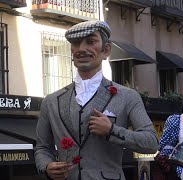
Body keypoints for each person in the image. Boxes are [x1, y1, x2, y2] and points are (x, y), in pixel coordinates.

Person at [34, 20, 159, 180]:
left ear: (106, 50)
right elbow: (42, 148)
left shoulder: (127, 96)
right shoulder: (51, 101)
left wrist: (112, 130)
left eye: (91, 42)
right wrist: (47, 166)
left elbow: (151, 142)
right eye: (76, 43)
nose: (81, 49)